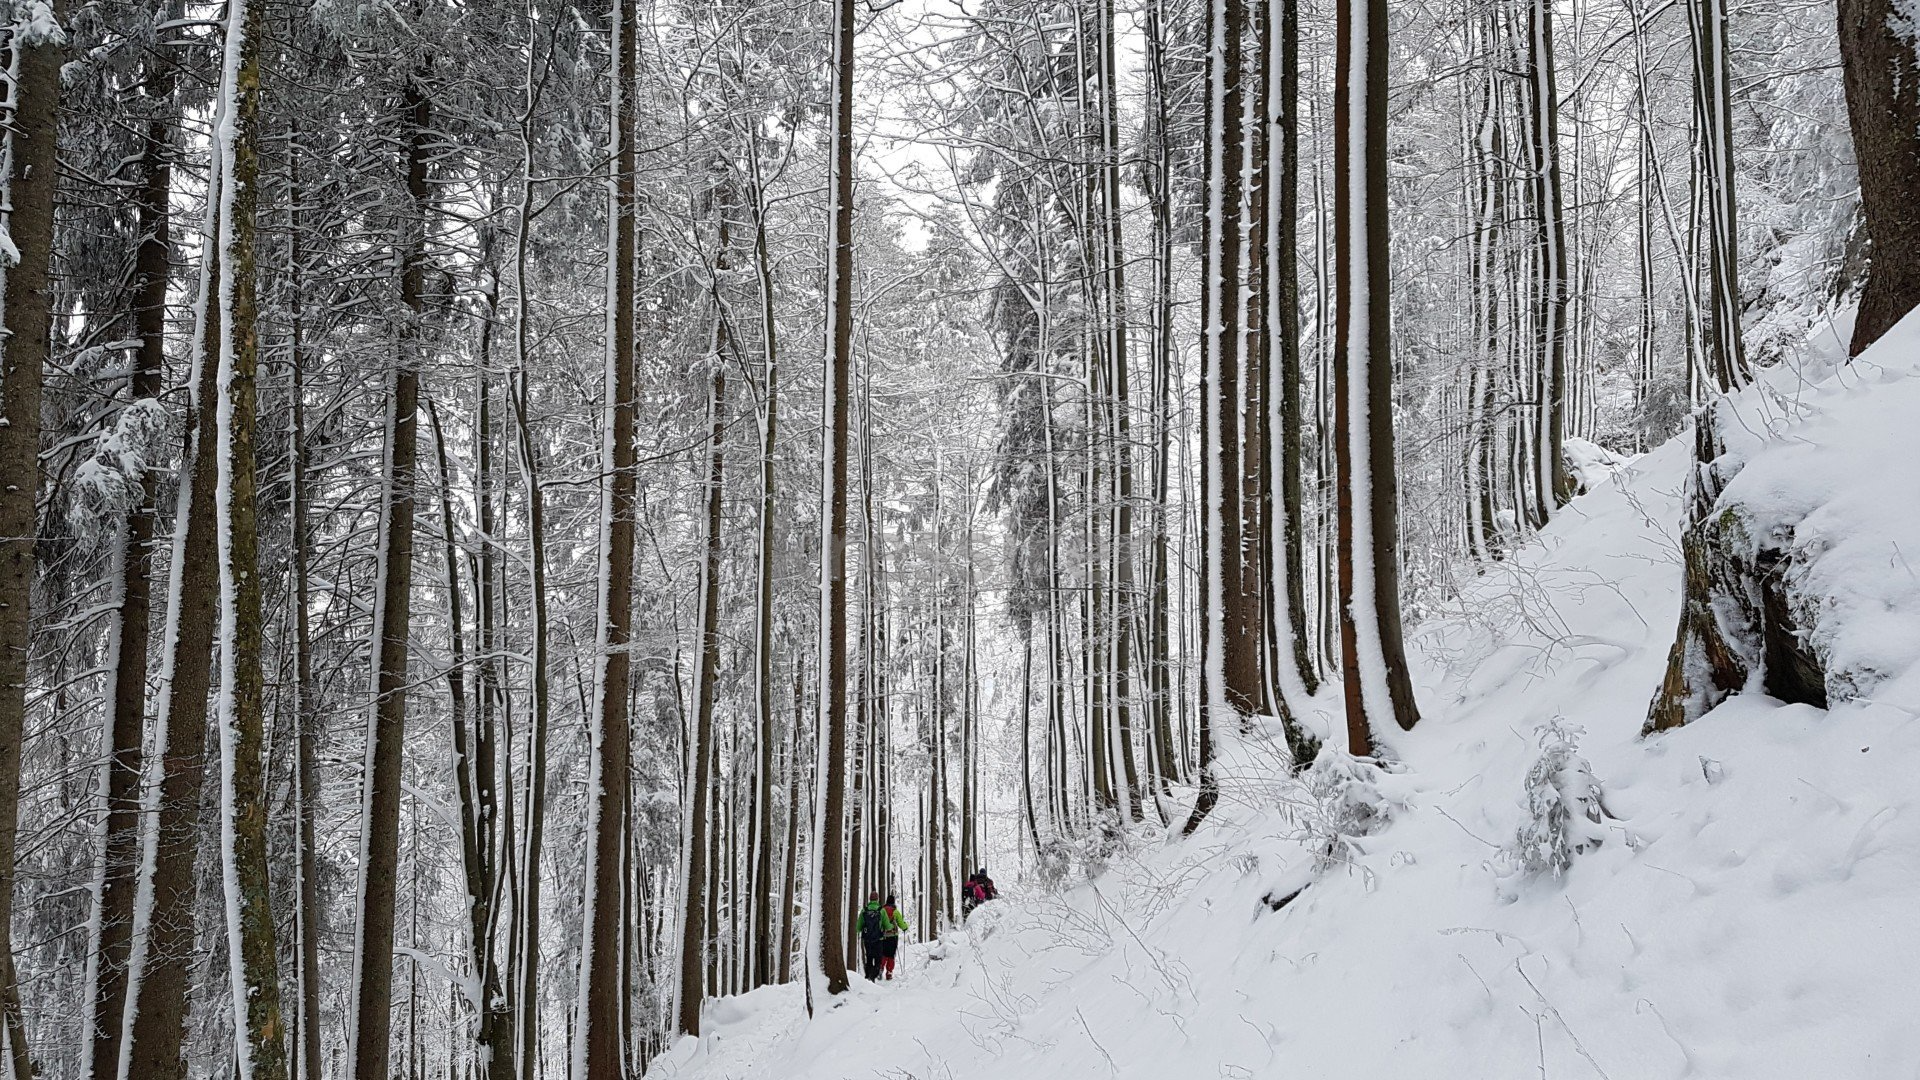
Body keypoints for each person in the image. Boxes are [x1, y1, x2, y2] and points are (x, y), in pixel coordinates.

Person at [858, 891, 887, 981]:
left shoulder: (864, 910)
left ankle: (868, 977)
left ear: (870, 899)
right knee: (878, 959)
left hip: (867, 940)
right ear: (877, 899)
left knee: (869, 958)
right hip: (879, 939)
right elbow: (887, 925)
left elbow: (858, 927)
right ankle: (873, 975)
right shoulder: (881, 910)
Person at [879, 894, 909, 979]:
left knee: (883, 953)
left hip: (883, 936)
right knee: (891, 955)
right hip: (893, 936)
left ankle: (880, 968)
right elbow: (901, 923)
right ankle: (889, 973)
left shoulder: (882, 911)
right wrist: (905, 927)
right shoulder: (895, 912)